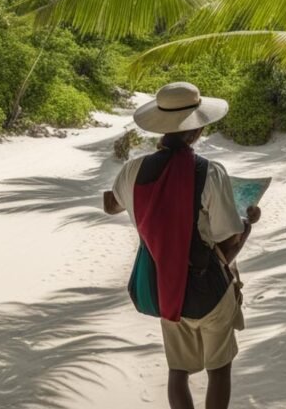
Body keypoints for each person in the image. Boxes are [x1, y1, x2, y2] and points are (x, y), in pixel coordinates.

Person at [103, 82, 260, 409]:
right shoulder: (210, 172)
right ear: (198, 128)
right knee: (219, 369)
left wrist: (129, 203)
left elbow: (110, 204)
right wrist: (248, 226)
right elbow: (227, 244)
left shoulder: (133, 170)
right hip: (209, 290)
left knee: (178, 370)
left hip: (166, 289)